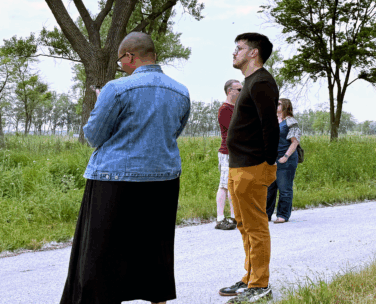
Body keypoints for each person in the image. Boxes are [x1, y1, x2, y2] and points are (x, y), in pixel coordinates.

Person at [60, 32, 191, 304]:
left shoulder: (116, 89)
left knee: (101, 254)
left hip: (114, 180)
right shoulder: (181, 91)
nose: (120, 65)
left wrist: (101, 102)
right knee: (156, 250)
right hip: (163, 180)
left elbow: (94, 136)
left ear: (130, 56)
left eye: (121, 59)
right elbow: (174, 132)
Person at [218, 33, 279, 303]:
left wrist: (268, 164)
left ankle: (260, 285)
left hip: (254, 166)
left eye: (239, 48)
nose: (234, 53)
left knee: (256, 226)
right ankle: (249, 277)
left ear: (253, 53)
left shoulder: (263, 82)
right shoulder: (249, 82)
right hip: (237, 166)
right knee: (243, 225)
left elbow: (270, 127)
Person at [266, 98, 301, 223]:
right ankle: (266, 214)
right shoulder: (272, 120)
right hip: (272, 159)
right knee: (270, 187)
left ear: (286, 106)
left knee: (284, 187)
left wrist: (285, 157)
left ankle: (283, 215)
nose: (276, 105)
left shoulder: (290, 121)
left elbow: (295, 141)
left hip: (286, 158)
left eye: (279, 103)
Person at [216, 79, 243, 230]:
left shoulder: (238, 108)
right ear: (229, 91)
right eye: (238, 89)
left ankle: (234, 217)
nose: (241, 92)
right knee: (224, 185)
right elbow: (236, 129)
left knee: (234, 185)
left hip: (238, 152)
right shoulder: (225, 109)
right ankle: (220, 218)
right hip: (227, 152)